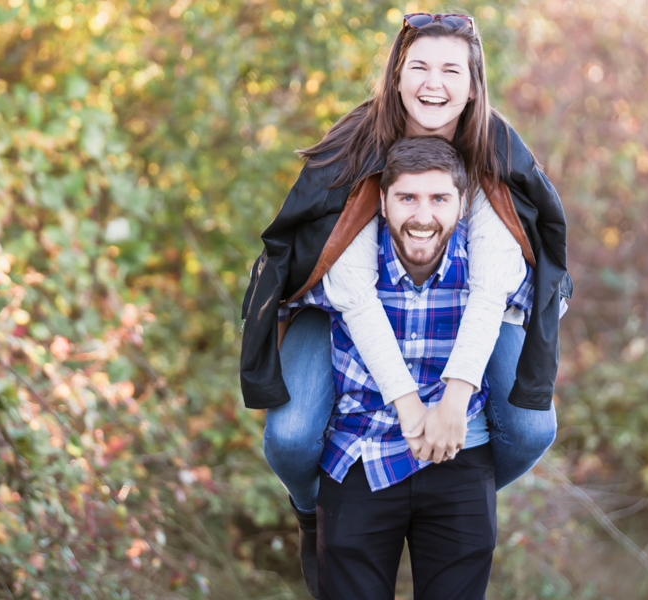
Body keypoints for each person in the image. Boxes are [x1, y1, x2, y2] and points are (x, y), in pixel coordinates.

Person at [240, 12, 571, 596]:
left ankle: (446, 483)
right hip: (337, 301)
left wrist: (451, 405)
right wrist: (411, 407)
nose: (433, 83)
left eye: (451, 69)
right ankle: (314, 507)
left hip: (479, 303)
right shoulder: (358, 143)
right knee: (291, 437)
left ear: (473, 86)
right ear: (396, 77)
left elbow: (494, 284)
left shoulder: (492, 148)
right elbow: (352, 289)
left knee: (529, 425)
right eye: (419, 66)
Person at [284, 136, 497, 599]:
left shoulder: (486, 264)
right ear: (383, 202)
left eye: (439, 198)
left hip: (457, 456)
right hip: (360, 453)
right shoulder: (347, 255)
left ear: (463, 205)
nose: (423, 216)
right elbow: (287, 294)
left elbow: (543, 303)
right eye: (407, 198)